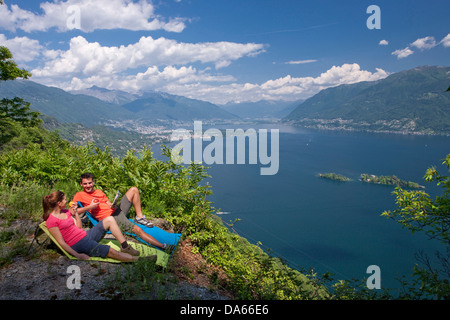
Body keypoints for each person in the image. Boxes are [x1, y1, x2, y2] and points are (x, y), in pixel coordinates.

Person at [72, 173, 173, 252]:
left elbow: (108, 203)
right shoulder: (79, 195)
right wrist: (90, 207)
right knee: (137, 230)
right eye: (85, 184)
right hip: (112, 218)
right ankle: (164, 246)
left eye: (89, 183)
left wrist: (113, 204)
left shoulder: (99, 191)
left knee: (134, 189)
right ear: (81, 184)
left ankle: (139, 217)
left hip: (116, 210)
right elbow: (72, 211)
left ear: (93, 182)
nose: (88, 185)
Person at [43, 190, 152, 262]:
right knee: (109, 250)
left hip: (85, 235)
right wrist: (77, 255)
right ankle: (139, 260)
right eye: (64, 199)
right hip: (78, 244)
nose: (66, 201)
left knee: (109, 219)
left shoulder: (66, 211)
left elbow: (79, 228)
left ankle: (125, 247)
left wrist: (75, 212)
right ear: (58, 203)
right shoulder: (51, 221)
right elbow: (61, 242)